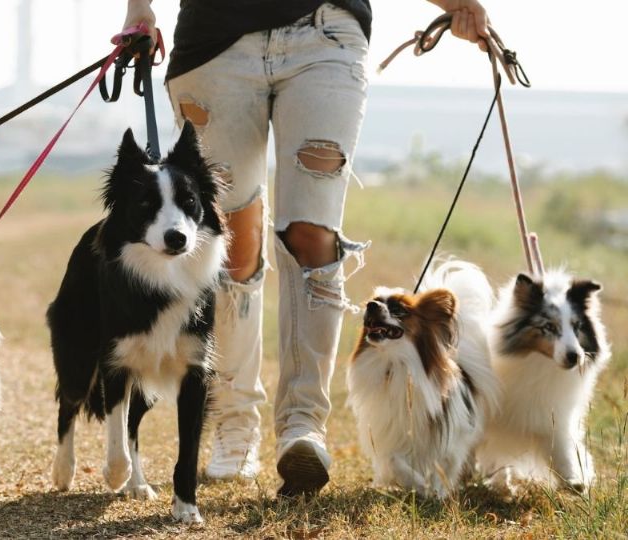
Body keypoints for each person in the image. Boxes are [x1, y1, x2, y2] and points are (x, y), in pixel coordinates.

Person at [121, 0, 492, 496]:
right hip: (214, 42)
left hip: (327, 34)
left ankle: (303, 424)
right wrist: (139, 8)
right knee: (231, 239)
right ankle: (234, 421)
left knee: (313, 233)